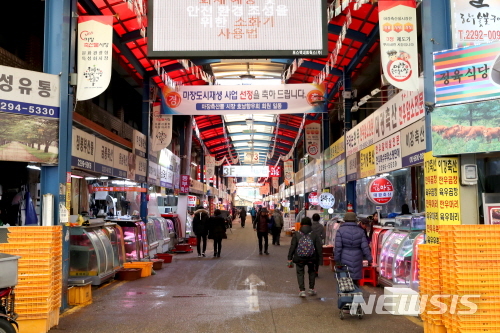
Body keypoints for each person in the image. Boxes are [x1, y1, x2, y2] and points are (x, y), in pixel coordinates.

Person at [287, 217, 323, 297]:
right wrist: (320, 260)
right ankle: (311, 289)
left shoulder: (296, 234)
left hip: (299, 257)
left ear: (301, 224)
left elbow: (293, 246)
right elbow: (318, 248)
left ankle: (302, 290)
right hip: (311, 257)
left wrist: (290, 258)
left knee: (300, 272)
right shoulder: (314, 234)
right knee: (311, 272)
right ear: (310, 224)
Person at [334, 212, 373, 285]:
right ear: (355, 220)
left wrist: (337, 260)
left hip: (344, 257)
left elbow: (338, 247)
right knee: (355, 280)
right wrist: (369, 259)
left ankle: (347, 295)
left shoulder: (340, 231)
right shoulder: (360, 231)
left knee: (345, 281)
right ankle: (355, 294)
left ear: (345, 220)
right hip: (357, 258)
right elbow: (365, 247)